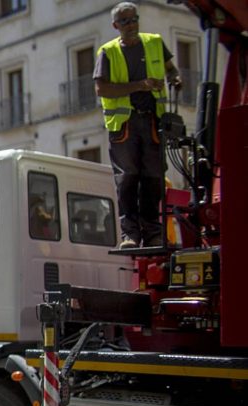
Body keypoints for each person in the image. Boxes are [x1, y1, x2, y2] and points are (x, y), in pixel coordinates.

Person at [94, 1, 181, 249]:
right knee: (128, 179)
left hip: (152, 120)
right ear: (115, 26)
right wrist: (140, 85)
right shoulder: (108, 52)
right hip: (125, 125)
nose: (131, 25)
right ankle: (130, 235)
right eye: (125, 22)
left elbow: (171, 69)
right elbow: (102, 88)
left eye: (134, 19)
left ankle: (153, 232)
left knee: (153, 178)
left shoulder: (154, 43)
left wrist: (175, 78)